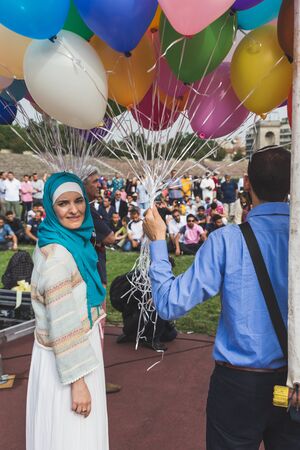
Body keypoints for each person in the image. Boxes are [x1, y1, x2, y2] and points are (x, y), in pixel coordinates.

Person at [143, 146, 300, 449]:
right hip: (293, 380)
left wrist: (158, 242)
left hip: (240, 384)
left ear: (247, 183)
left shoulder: (226, 240)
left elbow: (168, 303)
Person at [26, 172, 108, 450]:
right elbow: (62, 322)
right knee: (74, 435)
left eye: (78, 200)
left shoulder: (64, 239)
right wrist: (78, 383)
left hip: (71, 350)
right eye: (63, 203)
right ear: (50, 206)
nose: (74, 209)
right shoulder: (60, 257)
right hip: (69, 359)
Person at [84, 168, 121, 394]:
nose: (99, 185)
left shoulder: (86, 212)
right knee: (96, 327)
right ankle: (94, 379)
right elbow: (110, 237)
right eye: (95, 182)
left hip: (89, 272)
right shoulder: (89, 212)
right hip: (96, 274)